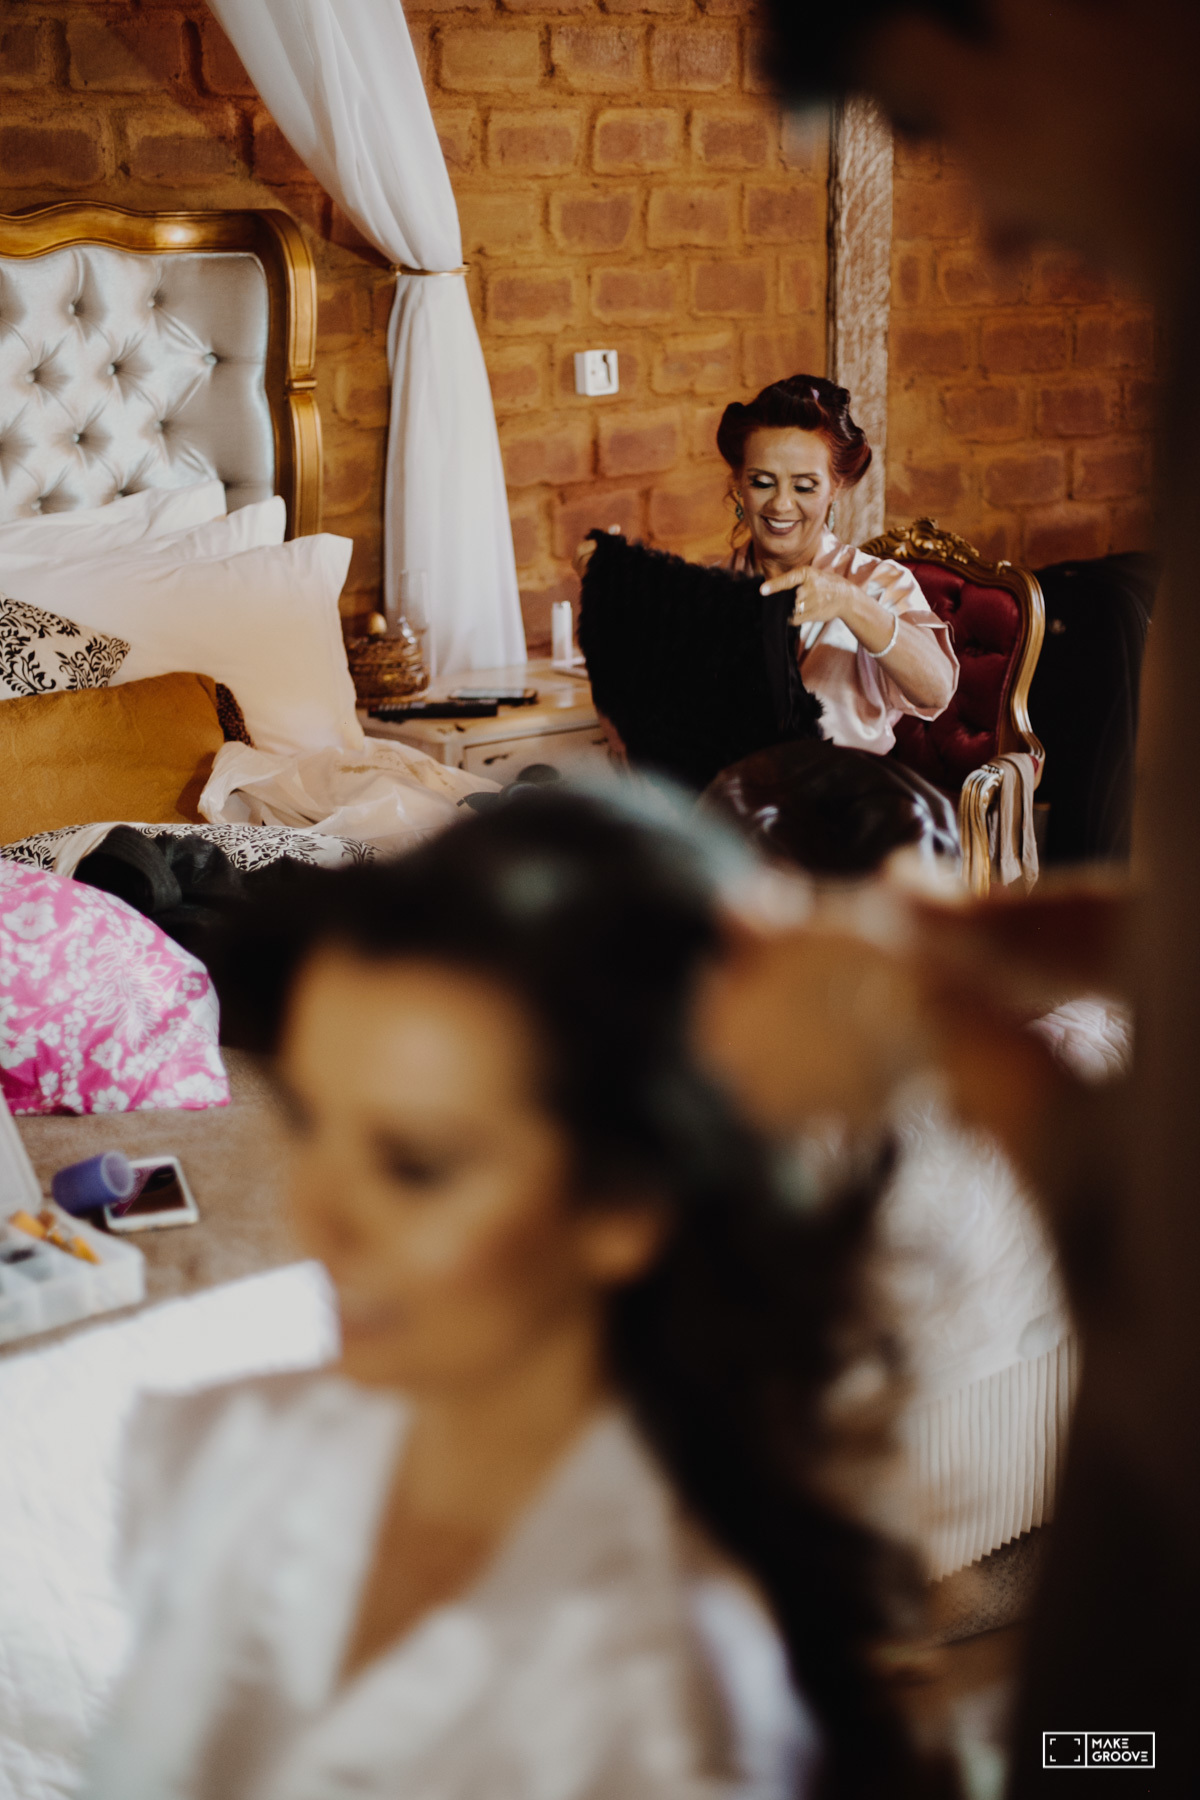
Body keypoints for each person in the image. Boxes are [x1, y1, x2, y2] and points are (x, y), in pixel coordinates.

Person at [83, 792, 951, 1800]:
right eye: (312, 1120)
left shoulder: (663, 1705)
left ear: (624, 1202)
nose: (315, 1219)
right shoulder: (219, 1449)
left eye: (414, 1166)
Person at [727, 1, 1200, 1789]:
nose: (990, 229)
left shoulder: (875, 587)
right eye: (761, 489)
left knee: (1111, 1722)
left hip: (882, 827)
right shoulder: (728, 581)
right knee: (1099, 1720)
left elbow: (937, 701)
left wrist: (860, 629)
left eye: (939, 118)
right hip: (805, 853)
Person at [719, 376, 957, 756]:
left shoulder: (877, 583)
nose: (781, 505)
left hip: (845, 790)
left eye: (804, 486)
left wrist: (850, 602)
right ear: (739, 484)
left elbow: (936, 691)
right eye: (762, 482)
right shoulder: (708, 587)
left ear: (835, 488)